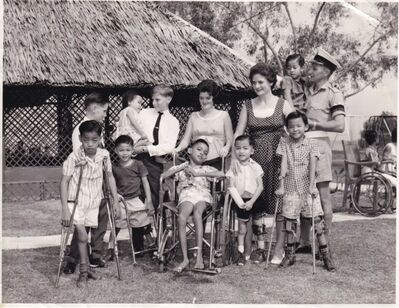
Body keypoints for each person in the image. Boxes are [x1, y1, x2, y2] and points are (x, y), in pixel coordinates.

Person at [233, 62, 293, 264]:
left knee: (278, 204)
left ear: (271, 82)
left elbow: (295, 127)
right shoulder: (248, 105)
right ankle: (255, 248)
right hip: (254, 161)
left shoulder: (282, 104)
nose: (257, 86)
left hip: (278, 159)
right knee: (255, 203)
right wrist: (234, 161)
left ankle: (278, 248)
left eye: (261, 82)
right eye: (254, 82)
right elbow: (238, 134)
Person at [296, 48, 345, 262]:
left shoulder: (334, 93)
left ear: (326, 71)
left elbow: (340, 125)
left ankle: (325, 244)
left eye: (315, 67)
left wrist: (315, 123)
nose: (311, 70)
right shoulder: (306, 90)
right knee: (302, 196)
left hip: (321, 147)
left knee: (323, 197)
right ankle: (304, 241)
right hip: (303, 145)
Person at [60, 120, 120, 288]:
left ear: (100, 138)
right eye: (86, 140)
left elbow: (109, 177)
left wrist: (115, 201)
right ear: (80, 138)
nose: (90, 144)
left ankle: (86, 268)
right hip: (76, 201)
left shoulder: (104, 155)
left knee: (86, 236)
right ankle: (84, 272)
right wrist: (65, 208)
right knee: (83, 236)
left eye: (94, 140)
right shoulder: (74, 157)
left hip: (93, 201)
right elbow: (64, 182)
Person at [275, 111, 335, 271]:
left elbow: (313, 167)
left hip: (308, 188)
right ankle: (289, 255)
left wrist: (312, 185)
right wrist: (280, 184)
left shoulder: (312, 144)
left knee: (318, 222)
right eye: (291, 126)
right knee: (289, 223)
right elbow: (283, 164)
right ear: (287, 128)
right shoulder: (284, 143)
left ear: (306, 127)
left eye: (298, 126)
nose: (295, 129)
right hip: (290, 188)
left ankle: (325, 255)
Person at [64, 92, 111, 274]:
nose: (105, 114)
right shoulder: (81, 130)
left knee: (100, 219)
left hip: (98, 182)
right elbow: (82, 157)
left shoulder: (97, 128)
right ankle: (72, 259)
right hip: (84, 186)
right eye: (104, 111)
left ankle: (95, 255)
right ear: (94, 108)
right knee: (81, 223)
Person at [161, 139, 224, 272]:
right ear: (189, 151)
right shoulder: (181, 168)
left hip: (202, 195)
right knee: (182, 217)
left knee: (197, 214)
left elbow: (222, 174)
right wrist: (181, 167)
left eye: (205, 152)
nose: (202, 153)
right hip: (186, 195)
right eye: (199, 149)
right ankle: (185, 259)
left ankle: (199, 256)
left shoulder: (205, 168)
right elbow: (164, 176)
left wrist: (199, 173)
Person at [106, 135, 155, 260]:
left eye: (127, 150)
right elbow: (111, 184)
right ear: (116, 150)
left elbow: (145, 182)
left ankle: (150, 244)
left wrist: (148, 201)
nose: (124, 153)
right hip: (121, 200)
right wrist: (115, 199)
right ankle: (111, 247)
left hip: (135, 198)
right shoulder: (114, 166)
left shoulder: (138, 164)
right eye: (121, 150)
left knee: (142, 220)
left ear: (133, 150)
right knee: (117, 221)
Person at [134, 85, 180, 211]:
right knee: (135, 192)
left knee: (154, 193)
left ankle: (150, 224)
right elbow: (134, 131)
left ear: (168, 99)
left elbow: (169, 146)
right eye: (152, 99)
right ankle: (138, 227)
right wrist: (136, 147)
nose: (154, 103)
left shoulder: (173, 121)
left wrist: (146, 149)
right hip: (138, 158)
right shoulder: (144, 114)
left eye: (157, 100)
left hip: (155, 161)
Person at [174, 80, 233, 170]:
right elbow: (186, 140)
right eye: (201, 98)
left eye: (208, 98)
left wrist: (226, 147)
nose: (204, 101)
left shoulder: (223, 115)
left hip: (216, 160)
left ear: (213, 98)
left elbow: (230, 138)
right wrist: (177, 149)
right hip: (196, 162)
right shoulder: (193, 116)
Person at [226, 135, 264, 265]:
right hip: (241, 201)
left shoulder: (256, 166)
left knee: (259, 227)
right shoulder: (233, 167)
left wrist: (251, 202)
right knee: (242, 229)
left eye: (245, 148)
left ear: (252, 151)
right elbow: (231, 187)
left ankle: (260, 252)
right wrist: (241, 203)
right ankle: (241, 253)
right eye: (237, 148)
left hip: (255, 199)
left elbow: (260, 186)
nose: (241, 151)